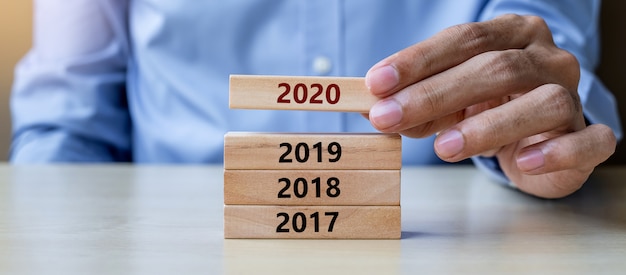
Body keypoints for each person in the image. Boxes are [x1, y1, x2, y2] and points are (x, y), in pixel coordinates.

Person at [10, 0, 621, 198]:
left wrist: (543, 128)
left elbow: (541, 50)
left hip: (456, 233)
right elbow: (65, 121)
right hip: (174, 237)